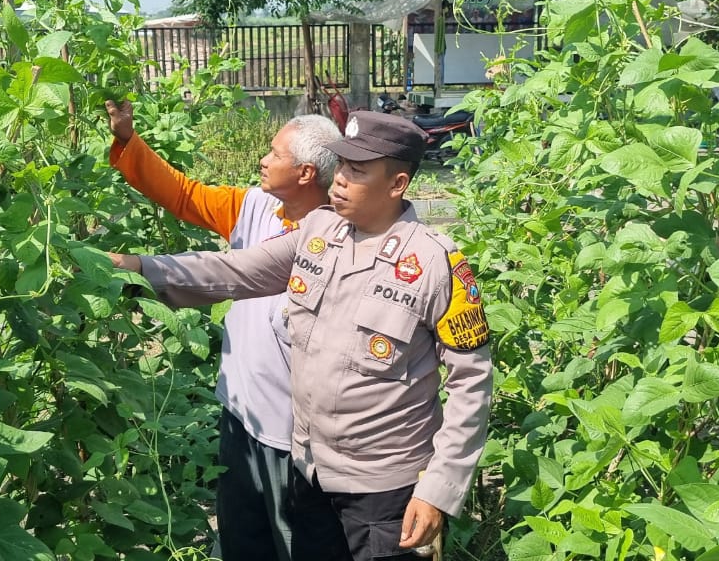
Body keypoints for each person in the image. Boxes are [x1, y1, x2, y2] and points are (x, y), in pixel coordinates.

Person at [110, 111, 493, 561]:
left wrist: (437, 490)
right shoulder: (318, 232)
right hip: (311, 475)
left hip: (386, 492)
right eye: (343, 164)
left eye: (358, 170)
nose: (342, 179)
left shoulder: (435, 265)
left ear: (397, 184)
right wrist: (139, 268)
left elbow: (471, 386)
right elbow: (233, 271)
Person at [105, 99, 343, 561]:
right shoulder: (254, 206)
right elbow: (182, 194)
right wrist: (127, 140)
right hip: (240, 412)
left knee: (296, 542)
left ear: (306, 173)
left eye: (275, 154)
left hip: (294, 433)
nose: (263, 160)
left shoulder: (338, 238)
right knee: (241, 537)